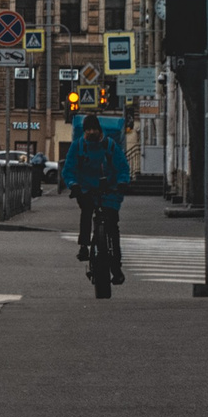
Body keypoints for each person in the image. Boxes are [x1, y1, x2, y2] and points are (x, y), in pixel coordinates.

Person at [61, 116, 131, 295]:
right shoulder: (78, 146)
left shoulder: (110, 146)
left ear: (99, 130)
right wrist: (73, 184)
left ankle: (116, 268)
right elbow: (69, 169)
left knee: (112, 228)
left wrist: (122, 182)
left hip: (110, 191)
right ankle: (84, 247)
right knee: (86, 213)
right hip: (86, 190)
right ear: (84, 131)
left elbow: (122, 167)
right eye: (87, 130)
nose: (91, 133)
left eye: (94, 129)